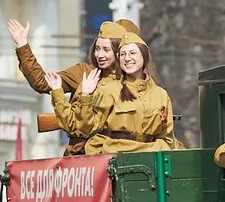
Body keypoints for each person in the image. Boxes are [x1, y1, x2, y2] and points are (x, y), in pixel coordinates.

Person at [10, 18, 136, 155]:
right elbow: (42, 82)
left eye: (106, 50)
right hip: (80, 155)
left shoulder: (133, 82)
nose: (100, 55)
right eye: (97, 49)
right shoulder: (84, 72)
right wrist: (23, 45)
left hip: (115, 155)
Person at [48, 32, 181, 154]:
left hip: (149, 156)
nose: (127, 58)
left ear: (144, 56)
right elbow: (86, 127)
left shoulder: (160, 95)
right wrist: (86, 96)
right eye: (123, 54)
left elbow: (166, 136)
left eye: (133, 53)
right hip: (114, 155)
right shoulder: (109, 90)